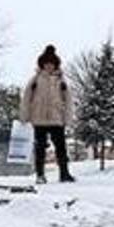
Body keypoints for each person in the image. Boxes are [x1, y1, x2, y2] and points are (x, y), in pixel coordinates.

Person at [20, 45, 73, 184]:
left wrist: (67, 118)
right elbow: (26, 98)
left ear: (55, 65)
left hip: (57, 119)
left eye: (51, 64)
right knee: (40, 148)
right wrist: (24, 116)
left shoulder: (61, 81)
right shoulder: (35, 80)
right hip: (39, 119)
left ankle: (64, 173)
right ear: (42, 65)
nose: (49, 66)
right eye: (46, 64)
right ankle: (40, 175)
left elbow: (68, 100)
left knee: (61, 148)